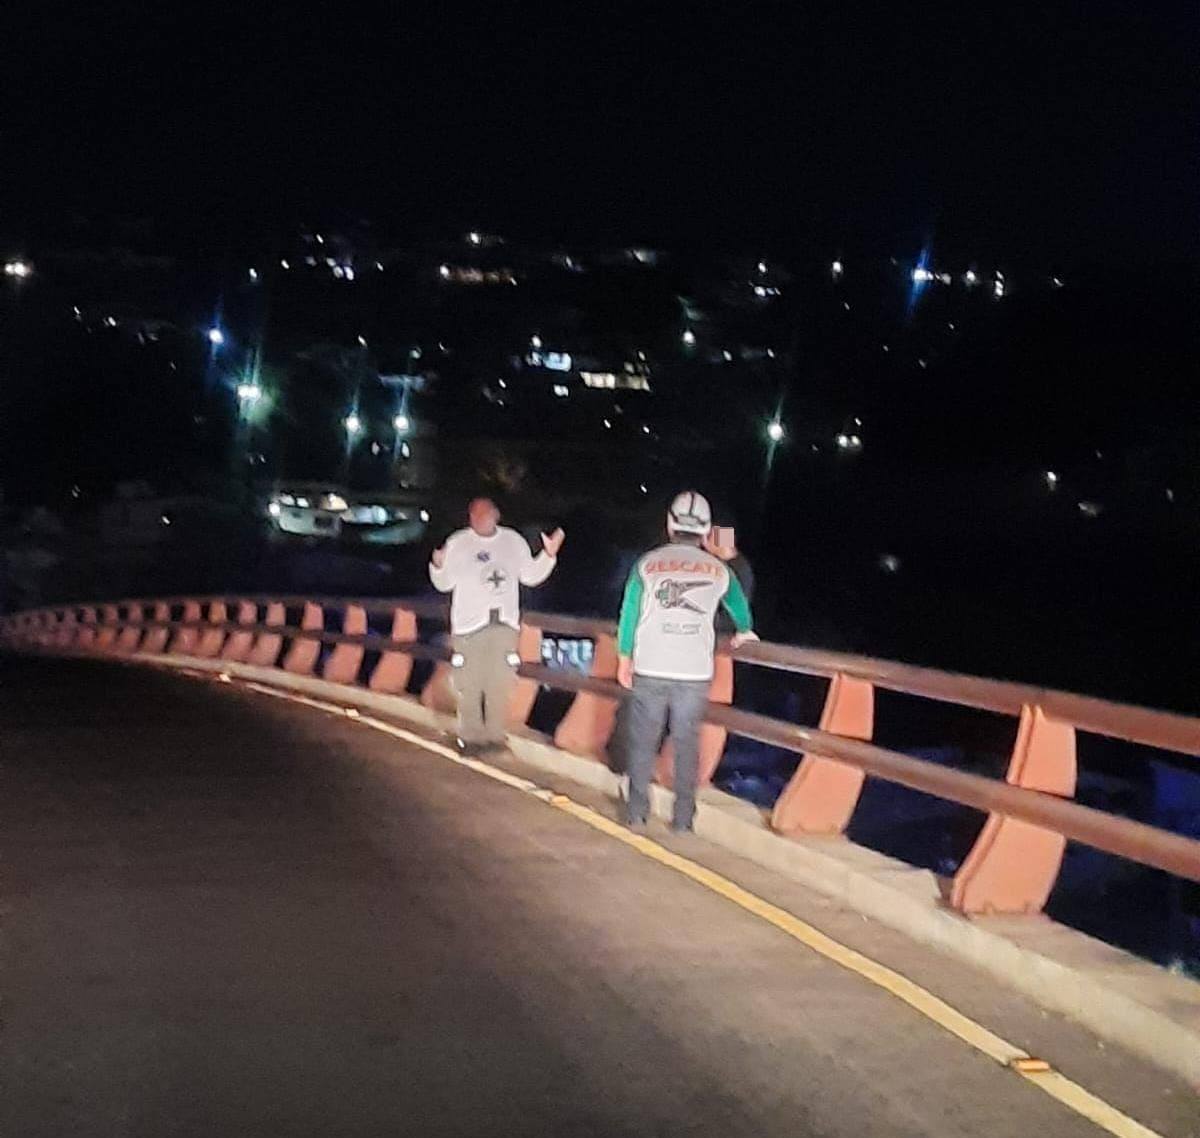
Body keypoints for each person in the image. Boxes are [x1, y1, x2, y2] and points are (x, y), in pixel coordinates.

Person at [616, 491, 757, 832]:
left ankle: (637, 812)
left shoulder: (646, 564)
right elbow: (739, 606)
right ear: (706, 530)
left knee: (643, 740)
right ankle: (682, 819)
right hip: (694, 670)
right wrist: (745, 630)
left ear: (669, 524)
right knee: (686, 743)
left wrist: (624, 656)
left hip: (651, 664)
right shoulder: (719, 570)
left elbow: (629, 613)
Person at [430, 498, 564, 754]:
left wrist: (548, 555)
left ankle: (494, 736)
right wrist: (437, 565)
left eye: (485, 513)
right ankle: (470, 737)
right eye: (475, 514)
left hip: (504, 623)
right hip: (469, 625)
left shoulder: (512, 541)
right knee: (469, 683)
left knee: (499, 682)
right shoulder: (458, 542)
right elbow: (444, 583)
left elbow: (530, 575)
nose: (479, 518)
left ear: (496, 515)